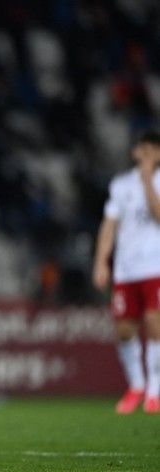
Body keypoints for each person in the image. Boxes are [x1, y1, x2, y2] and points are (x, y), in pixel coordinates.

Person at [92, 128, 160, 415]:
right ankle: (136, 384)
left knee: (155, 323)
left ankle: (155, 391)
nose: (147, 155)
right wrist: (100, 261)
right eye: (143, 150)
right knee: (124, 330)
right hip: (126, 269)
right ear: (135, 152)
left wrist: (148, 183)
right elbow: (109, 225)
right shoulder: (120, 185)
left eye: (153, 150)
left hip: (155, 266)